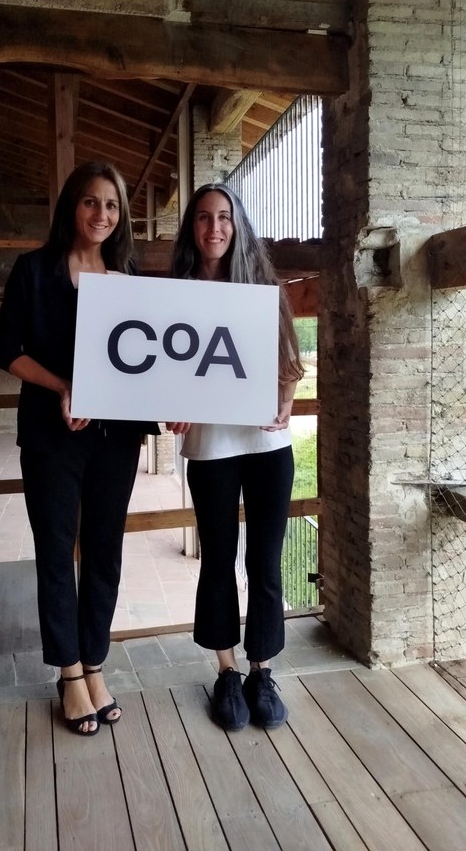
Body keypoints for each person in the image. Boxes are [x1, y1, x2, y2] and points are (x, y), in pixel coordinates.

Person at [0, 160, 158, 736]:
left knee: (106, 552)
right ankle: (67, 674)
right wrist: (63, 387)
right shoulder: (34, 270)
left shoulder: (127, 275)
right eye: (91, 201)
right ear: (71, 205)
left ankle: (94, 665)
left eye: (111, 205)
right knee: (57, 552)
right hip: (50, 436)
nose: (101, 214)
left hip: (117, 438)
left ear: (121, 215)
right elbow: (5, 350)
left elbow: (146, 356)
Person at [166, 182, 303, 732]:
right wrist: (169, 406)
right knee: (218, 560)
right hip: (210, 447)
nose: (214, 227)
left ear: (238, 225)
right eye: (204, 217)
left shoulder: (263, 289)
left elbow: (289, 361)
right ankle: (226, 671)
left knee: (265, 562)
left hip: (267, 446)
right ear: (192, 228)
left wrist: (286, 401)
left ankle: (261, 671)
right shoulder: (176, 295)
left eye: (224, 217)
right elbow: (163, 372)